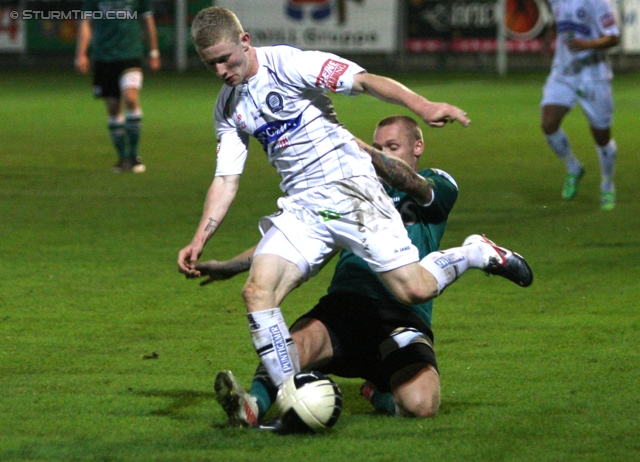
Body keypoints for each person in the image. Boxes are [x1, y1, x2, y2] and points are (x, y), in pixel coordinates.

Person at [178, 7, 532, 396]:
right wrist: (200, 239)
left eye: (225, 59)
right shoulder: (228, 107)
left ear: (245, 41)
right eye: (210, 64)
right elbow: (226, 179)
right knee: (258, 292)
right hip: (304, 207)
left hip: (351, 188)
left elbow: (365, 81)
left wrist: (424, 106)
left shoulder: (291, 64)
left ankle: (475, 253)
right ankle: (288, 396)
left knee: (414, 290)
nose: (220, 71)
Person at [192, 116, 528, 427]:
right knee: (294, 347)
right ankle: (251, 407)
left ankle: (375, 392)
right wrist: (230, 267)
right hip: (346, 305)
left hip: (401, 315)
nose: (381, 155)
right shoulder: (348, 190)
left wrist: (362, 151)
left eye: (391, 147)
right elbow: (291, 239)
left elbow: (411, 182)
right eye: (378, 147)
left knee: (421, 406)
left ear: (418, 147)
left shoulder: (439, 184)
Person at [540, 0, 620, 210]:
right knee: (548, 123)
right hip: (564, 73)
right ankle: (573, 167)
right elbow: (559, 20)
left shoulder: (597, 2)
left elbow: (613, 37)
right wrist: (551, 34)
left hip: (594, 76)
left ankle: (607, 184)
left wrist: (588, 45)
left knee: (602, 136)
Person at [75, 0, 161, 173]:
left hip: (131, 54)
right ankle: (123, 158)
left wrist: (153, 52)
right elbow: (86, 23)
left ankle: (134, 155)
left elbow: (148, 21)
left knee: (130, 99)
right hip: (103, 57)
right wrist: (81, 54)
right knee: (114, 109)